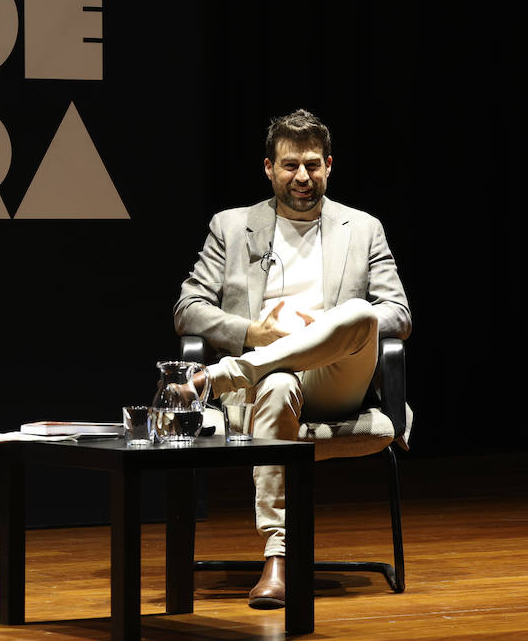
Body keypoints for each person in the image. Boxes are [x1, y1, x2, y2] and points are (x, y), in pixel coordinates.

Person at [173, 108, 411, 609]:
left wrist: (326, 329)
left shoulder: (363, 228)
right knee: (280, 381)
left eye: (312, 164)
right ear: (268, 167)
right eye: (289, 165)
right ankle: (277, 556)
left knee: (358, 312)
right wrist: (252, 332)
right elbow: (188, 310)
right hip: (263, 387)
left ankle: (217, 377)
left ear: (329, 164)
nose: (302, 177)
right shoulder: (233, 227)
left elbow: (398, 315)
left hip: (335, 380)